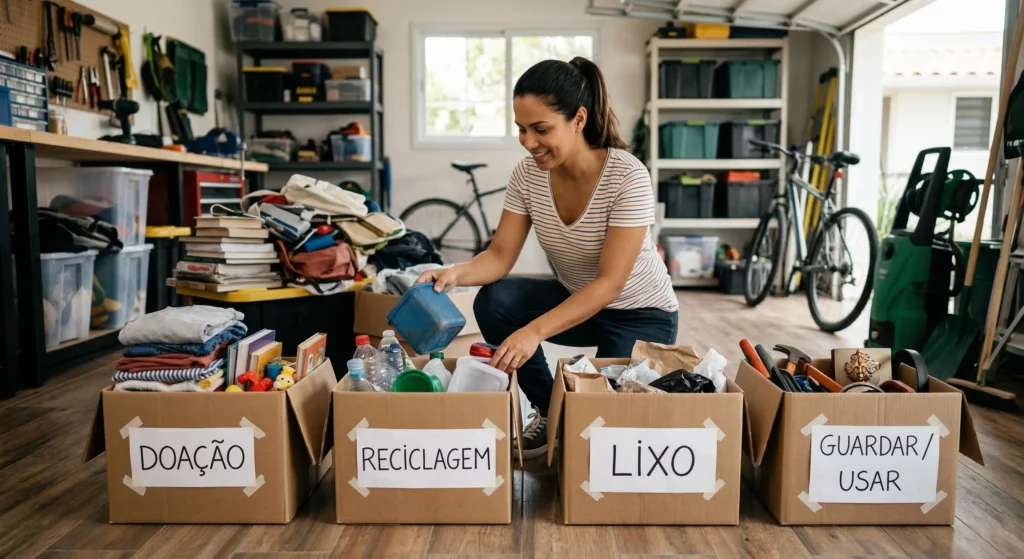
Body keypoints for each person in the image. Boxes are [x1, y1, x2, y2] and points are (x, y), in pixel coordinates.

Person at [415, 56, 678, 459]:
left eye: (541, 129)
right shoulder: (528, 175)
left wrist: (534, 331)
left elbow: (610, 284)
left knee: (608, 428)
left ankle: (576, 422)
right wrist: (453, 273)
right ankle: (551, 412)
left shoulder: (628, 176)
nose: (528, 142)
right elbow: (500, 257)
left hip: (640, 313)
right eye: (521, 129)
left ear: (578, 120)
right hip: (580, 301)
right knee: (494, 300)